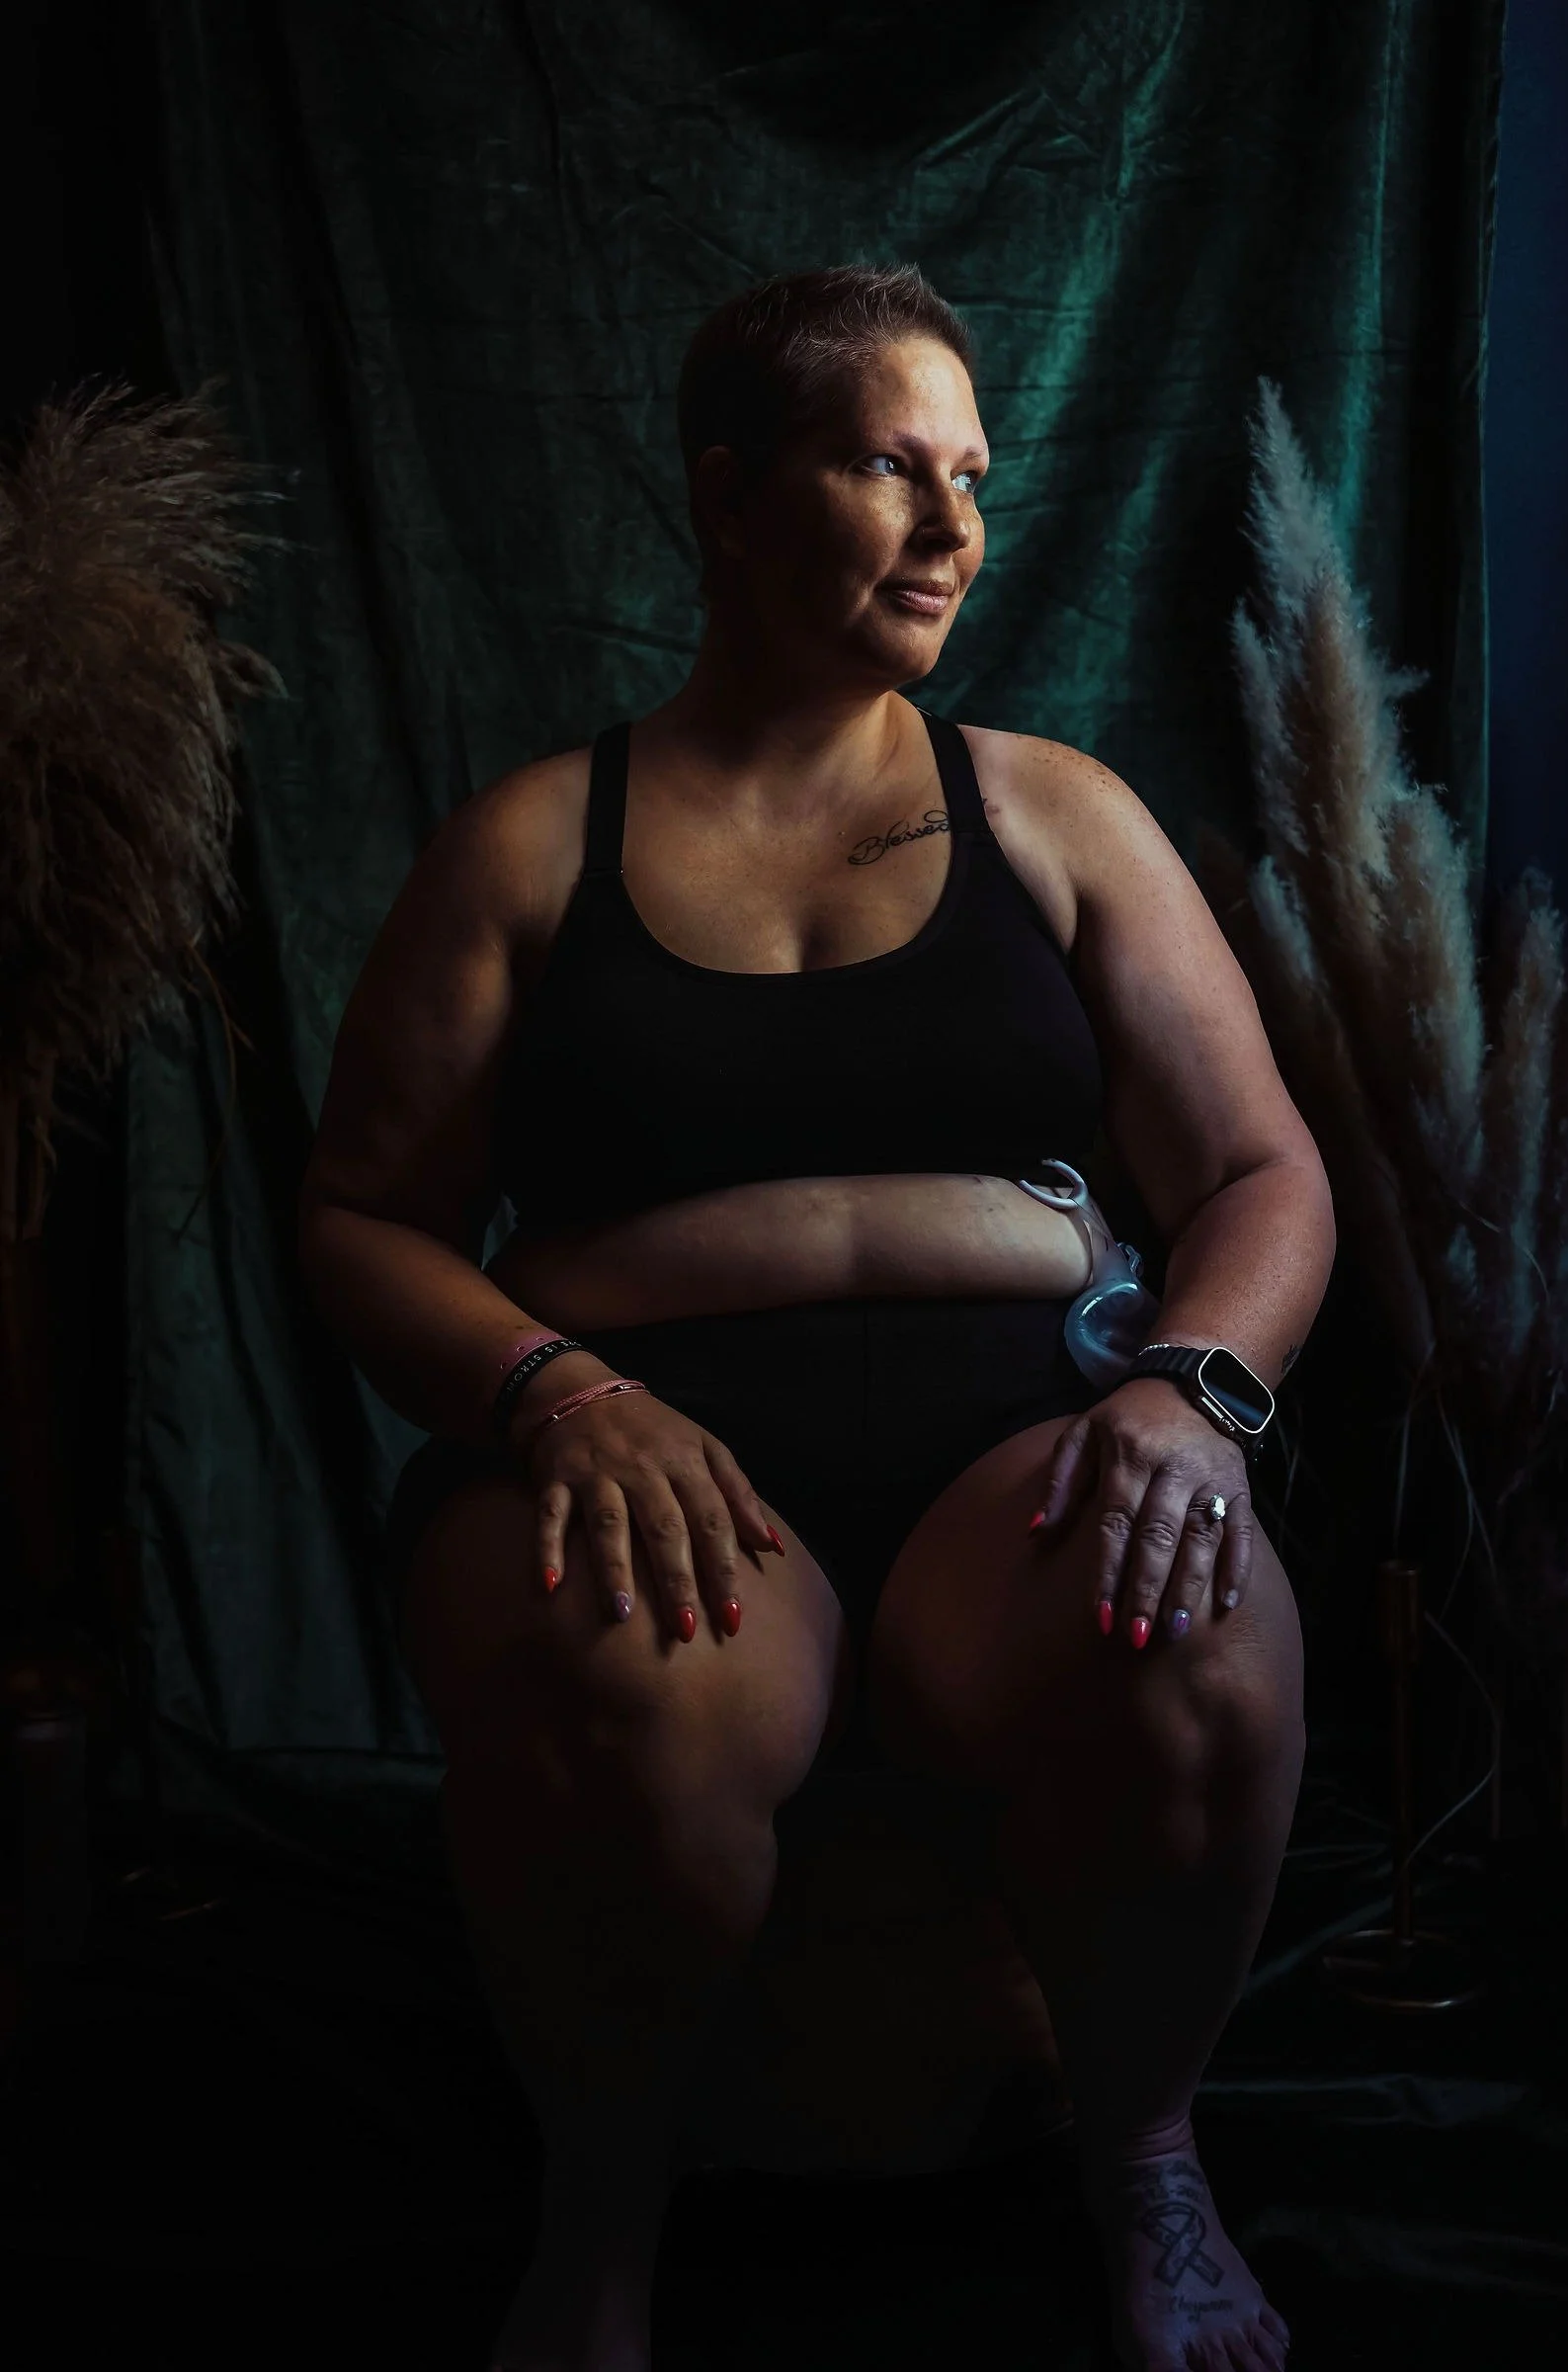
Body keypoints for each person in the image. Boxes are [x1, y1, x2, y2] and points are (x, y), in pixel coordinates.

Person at [298, 264, 1333, 2372]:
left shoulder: (1050, 815)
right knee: (635, 1697)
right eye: (887, 468)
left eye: (970, 474)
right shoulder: (524, 844)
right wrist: (549, 1387)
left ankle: (1141, 2156)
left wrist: (1188, 1398)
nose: (954, 526)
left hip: (1022, 1443)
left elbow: (1257, 1175)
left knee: (1198, 1642)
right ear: (731, 499)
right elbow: (358, 1218)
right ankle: (602, 2218)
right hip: (656, 1457)